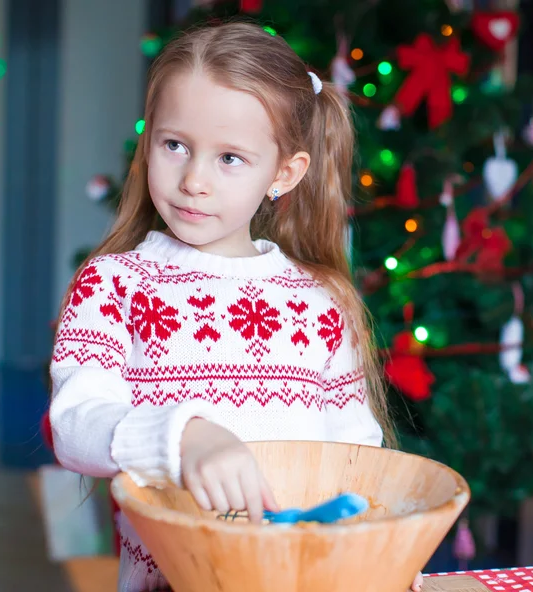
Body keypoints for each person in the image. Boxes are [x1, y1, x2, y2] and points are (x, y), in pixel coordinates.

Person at [49, 21, 423, 592]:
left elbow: (354, 462)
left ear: (284, 173)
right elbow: (74, 425)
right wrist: (185, 437)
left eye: (229, 158)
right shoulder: (115, 286)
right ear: (148, 141)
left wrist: (376, 556)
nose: (194, 180)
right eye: (174, 145)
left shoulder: (318, 303)